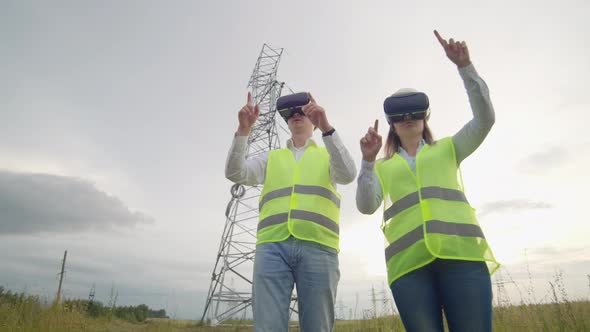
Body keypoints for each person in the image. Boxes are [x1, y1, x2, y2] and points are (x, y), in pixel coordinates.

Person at [356, 30, 500, 332]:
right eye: (399, 113)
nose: (408, 116)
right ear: (392, 124)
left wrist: (465, 67)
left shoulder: (449, 148)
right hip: (409, 268)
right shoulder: (382, 167)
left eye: (416, 111)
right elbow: (366, 206)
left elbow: (485, 119)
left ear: (426, 117)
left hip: (462, 257)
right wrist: (368, 161)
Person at [225, 91, 357, 332]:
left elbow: (348, 174)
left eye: (302, 112)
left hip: (318, 246)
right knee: (268, 326)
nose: (296, 115)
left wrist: (326, 126)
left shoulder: (329, 155)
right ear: (286, 122)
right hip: (272, 246)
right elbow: (235, 173)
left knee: (318, 326)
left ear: (313, 121)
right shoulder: (271, 157)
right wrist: (243, 131)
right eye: (291, 113)